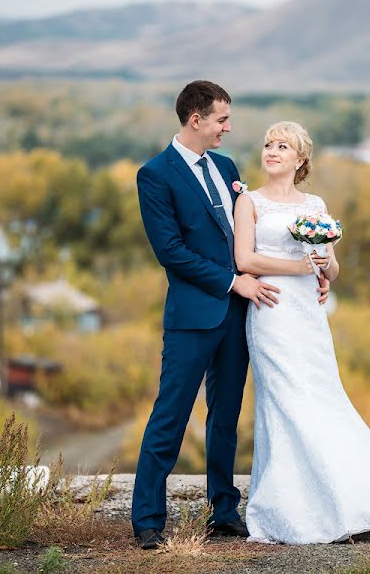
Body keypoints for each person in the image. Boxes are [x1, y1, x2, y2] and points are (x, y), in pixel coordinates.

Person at [132, 83, 329, 549]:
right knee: (171, 414)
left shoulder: (226, 168)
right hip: (193, 317)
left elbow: (250, 241)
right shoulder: (155, 175)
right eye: (222, 119)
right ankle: (147, 520)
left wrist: (311, 270)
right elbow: (171, 251)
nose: (228, 127)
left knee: (226, 417)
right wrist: (230, 281)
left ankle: (223, 510)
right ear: (195, 119)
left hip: (243, 315)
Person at [234, 121, 370, 544]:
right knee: (285, 404)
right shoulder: (249, 202)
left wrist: (323, 267)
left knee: (324, 399)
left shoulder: (316, 203)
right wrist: (296, 268)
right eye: (268, 144)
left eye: (282, 146)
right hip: (271, 312)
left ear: (300, 159)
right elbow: (245, 259)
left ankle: (362, 500)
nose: (272, 151)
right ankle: (295, 508)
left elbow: (332, 267)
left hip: (308, 317)